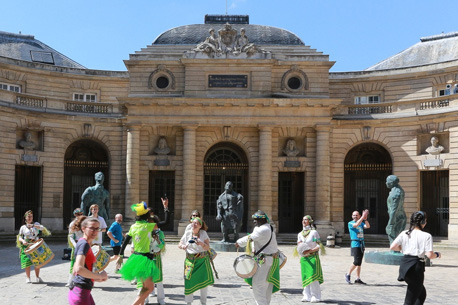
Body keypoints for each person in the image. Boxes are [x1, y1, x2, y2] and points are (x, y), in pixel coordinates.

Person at [390, 211, 441, 305]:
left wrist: (403, 248)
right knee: (410, 300)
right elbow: (430, 255)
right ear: (423, 222)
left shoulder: (404, 233)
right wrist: (437, 254)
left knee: (421, 294)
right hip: (416, 266)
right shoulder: (426, 236)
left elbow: (393, 247)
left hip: (405, 265)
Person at [118, 202, 160, 305]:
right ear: (147, 216)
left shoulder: (133, 226)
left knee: (145, 287)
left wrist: (121, 256)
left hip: (135, 258)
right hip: (144, 259)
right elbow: (165, 222)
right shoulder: (148, 226)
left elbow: (125, 242)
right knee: (150, 287)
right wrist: (166, 208)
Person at [235, 210, 280, 305]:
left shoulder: (262, 230)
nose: (254, 222)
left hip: (263, 261)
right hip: (271, 259)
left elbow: (249, 238)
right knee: (266, 286)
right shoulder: (270, 228)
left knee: (258, 287)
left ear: (263, 220)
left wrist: (238, 242)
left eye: (256, 220)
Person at [68, 217, 108, 305]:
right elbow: (79, 269)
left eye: (97, 229)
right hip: (81, 292)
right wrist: (99, 276)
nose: (95, 231)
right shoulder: (84, 244)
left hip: (81, 290)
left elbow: (75, 268)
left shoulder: (82, 242)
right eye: (92, 228)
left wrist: (95, 278)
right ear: (83, 229)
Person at [179, 217, 214, 305]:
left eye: (196, 223)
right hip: (190, 261)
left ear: (200, 226)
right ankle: (189, 302)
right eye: (192, 223)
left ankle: (203, 302)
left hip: (202, 260)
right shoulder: (187, 233)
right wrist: (183, 246)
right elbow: (180, 243)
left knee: (203, 282)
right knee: (188, 280)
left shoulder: (203, 233)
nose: (193, 225)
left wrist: (201, 243)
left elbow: (207, 247)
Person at [17, 210, 51, 283]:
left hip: (35, 244)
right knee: (26, 262)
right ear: (25, 218)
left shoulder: (36, 224)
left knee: (37, 261)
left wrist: (33, 226)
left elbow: (42, 228)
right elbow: (19, 237)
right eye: (28, 216)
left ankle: (37, 277)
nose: (30, 218)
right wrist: (23, 241)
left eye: (31, 216)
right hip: (26, 245)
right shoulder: (23, 227)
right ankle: (28, 278)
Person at [296, 215, 324, 303]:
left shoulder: (314, 232)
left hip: (312, 257)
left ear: (310, 221)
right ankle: (306, 295)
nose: (304, 221)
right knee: (305, 276)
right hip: (304, 258)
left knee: (313, 277)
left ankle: (315, 296)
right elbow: (299, 245)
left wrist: (311, 250)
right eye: (303, 220)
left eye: (306, 220)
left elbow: (319, 245)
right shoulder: (300, 234)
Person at [345, 209, 370, 284]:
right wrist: (362, 217)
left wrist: (365, 219)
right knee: (356, 261)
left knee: (359, 263)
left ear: (359, 216)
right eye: (354, 215)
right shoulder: (350, 223)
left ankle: (358, 278)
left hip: (361, 244)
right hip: (355, 244)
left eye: (356, 215)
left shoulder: (361, 223)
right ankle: (348, 274)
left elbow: (367, 226)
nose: (355, 216)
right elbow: (355, 225)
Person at [66, 208, 85, 286]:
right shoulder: (72, 224)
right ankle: (70, 280)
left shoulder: (85, 223)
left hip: (84, 244)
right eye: (77, 214)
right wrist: (75, 245)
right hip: (77, 244)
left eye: (80, 214)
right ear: (75, 215)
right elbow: (70, 236)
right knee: (74, 262)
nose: (79, 216)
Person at [386, 175, 406, 244]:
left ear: (391, 183)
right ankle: (395, 251)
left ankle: (395, 251)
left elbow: (394, 209)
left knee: (392, 234)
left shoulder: (395, 194)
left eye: (387, 181)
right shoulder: (399, 190)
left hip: (396, 218)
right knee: (396, 236)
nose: (386, 183)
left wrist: (390, 223)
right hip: (400, 217)